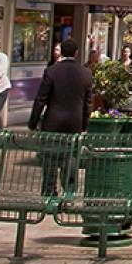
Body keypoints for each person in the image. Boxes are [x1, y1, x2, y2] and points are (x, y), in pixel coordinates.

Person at [29, 39, 93, 195]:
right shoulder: (86, 73)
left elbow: (41, 99)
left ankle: (49, 191)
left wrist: (33, 122)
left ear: (61, 52)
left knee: (50, 158)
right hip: (74, 122)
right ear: (76, 53)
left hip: (53, 122)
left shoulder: (51, 71)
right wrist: (84, 124)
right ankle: (69, 190)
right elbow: (88, 103)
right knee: (70, 157)